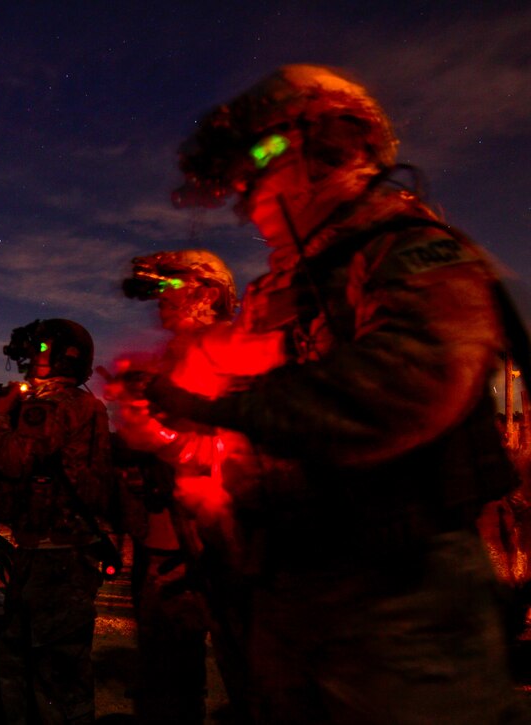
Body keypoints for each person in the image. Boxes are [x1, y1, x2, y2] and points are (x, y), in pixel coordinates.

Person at [126, 64, 531, 723]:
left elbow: (405, 387)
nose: (245, 193)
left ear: (334, 143)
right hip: (293, 581)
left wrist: (217, 408)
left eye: (260, 159)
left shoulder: (410, 249)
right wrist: (169, 405)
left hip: (403, 590)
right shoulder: (283, 290)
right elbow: (232, 367)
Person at [109, 250, 240, 724]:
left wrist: (164, 437)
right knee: (165, 675)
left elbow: (238, 443)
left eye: (171, 289)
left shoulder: (237, 350)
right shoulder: (172, 357)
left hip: (225, 542)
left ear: (207, 294)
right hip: (165, 540)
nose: (159, 301)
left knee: (251, 669)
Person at [0, 318, 114, 724]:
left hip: (52, 561)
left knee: (42, 676)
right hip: (66, 555)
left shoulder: (50, 404)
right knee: (55, 671)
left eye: (40, 352)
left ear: (62, 357)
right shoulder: (87, 405)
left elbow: (14, 460)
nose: (32, 361)